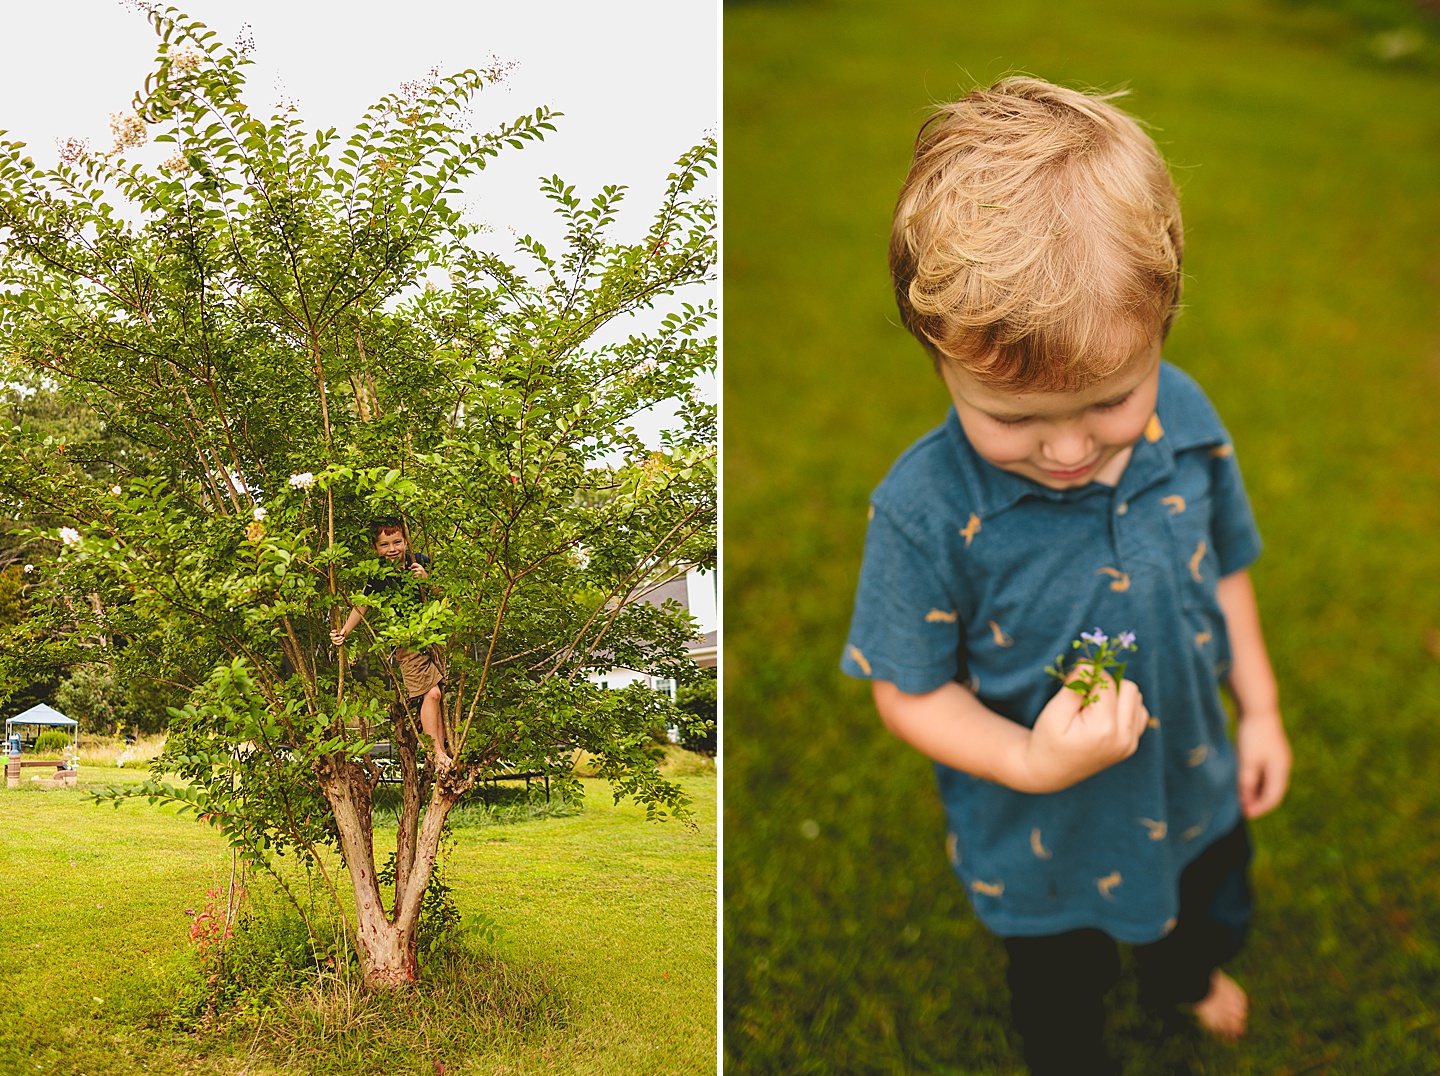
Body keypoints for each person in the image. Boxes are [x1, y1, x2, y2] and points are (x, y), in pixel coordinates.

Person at [840, 78, 1292, 1074]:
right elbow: (906, 688)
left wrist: (1257, 707)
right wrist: (1032, 761)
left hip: (1193, 779)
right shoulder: (923, 509)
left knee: (1207, 910)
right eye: (1014, 417)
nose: (1067, 448)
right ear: (938, 357)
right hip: (1044, 832)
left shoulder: (1186, 417)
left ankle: (1186, 975)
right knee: (1060, 996)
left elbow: (1230, 569)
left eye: (1108, 401)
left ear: (1163, 328)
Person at [331, 518, 450, 768]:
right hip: (406, 640)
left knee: (437, 697)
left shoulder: (420, 561)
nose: (392, 549)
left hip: (433, 636)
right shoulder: (378, 573)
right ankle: (435, 752)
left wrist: (426, 579)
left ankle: (441, 752)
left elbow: (444, 595)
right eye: (385, 544)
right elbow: (363, 603)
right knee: (432, 693)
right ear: (375, 549)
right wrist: (344, 630)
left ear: (406, 540)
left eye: (397, 542)